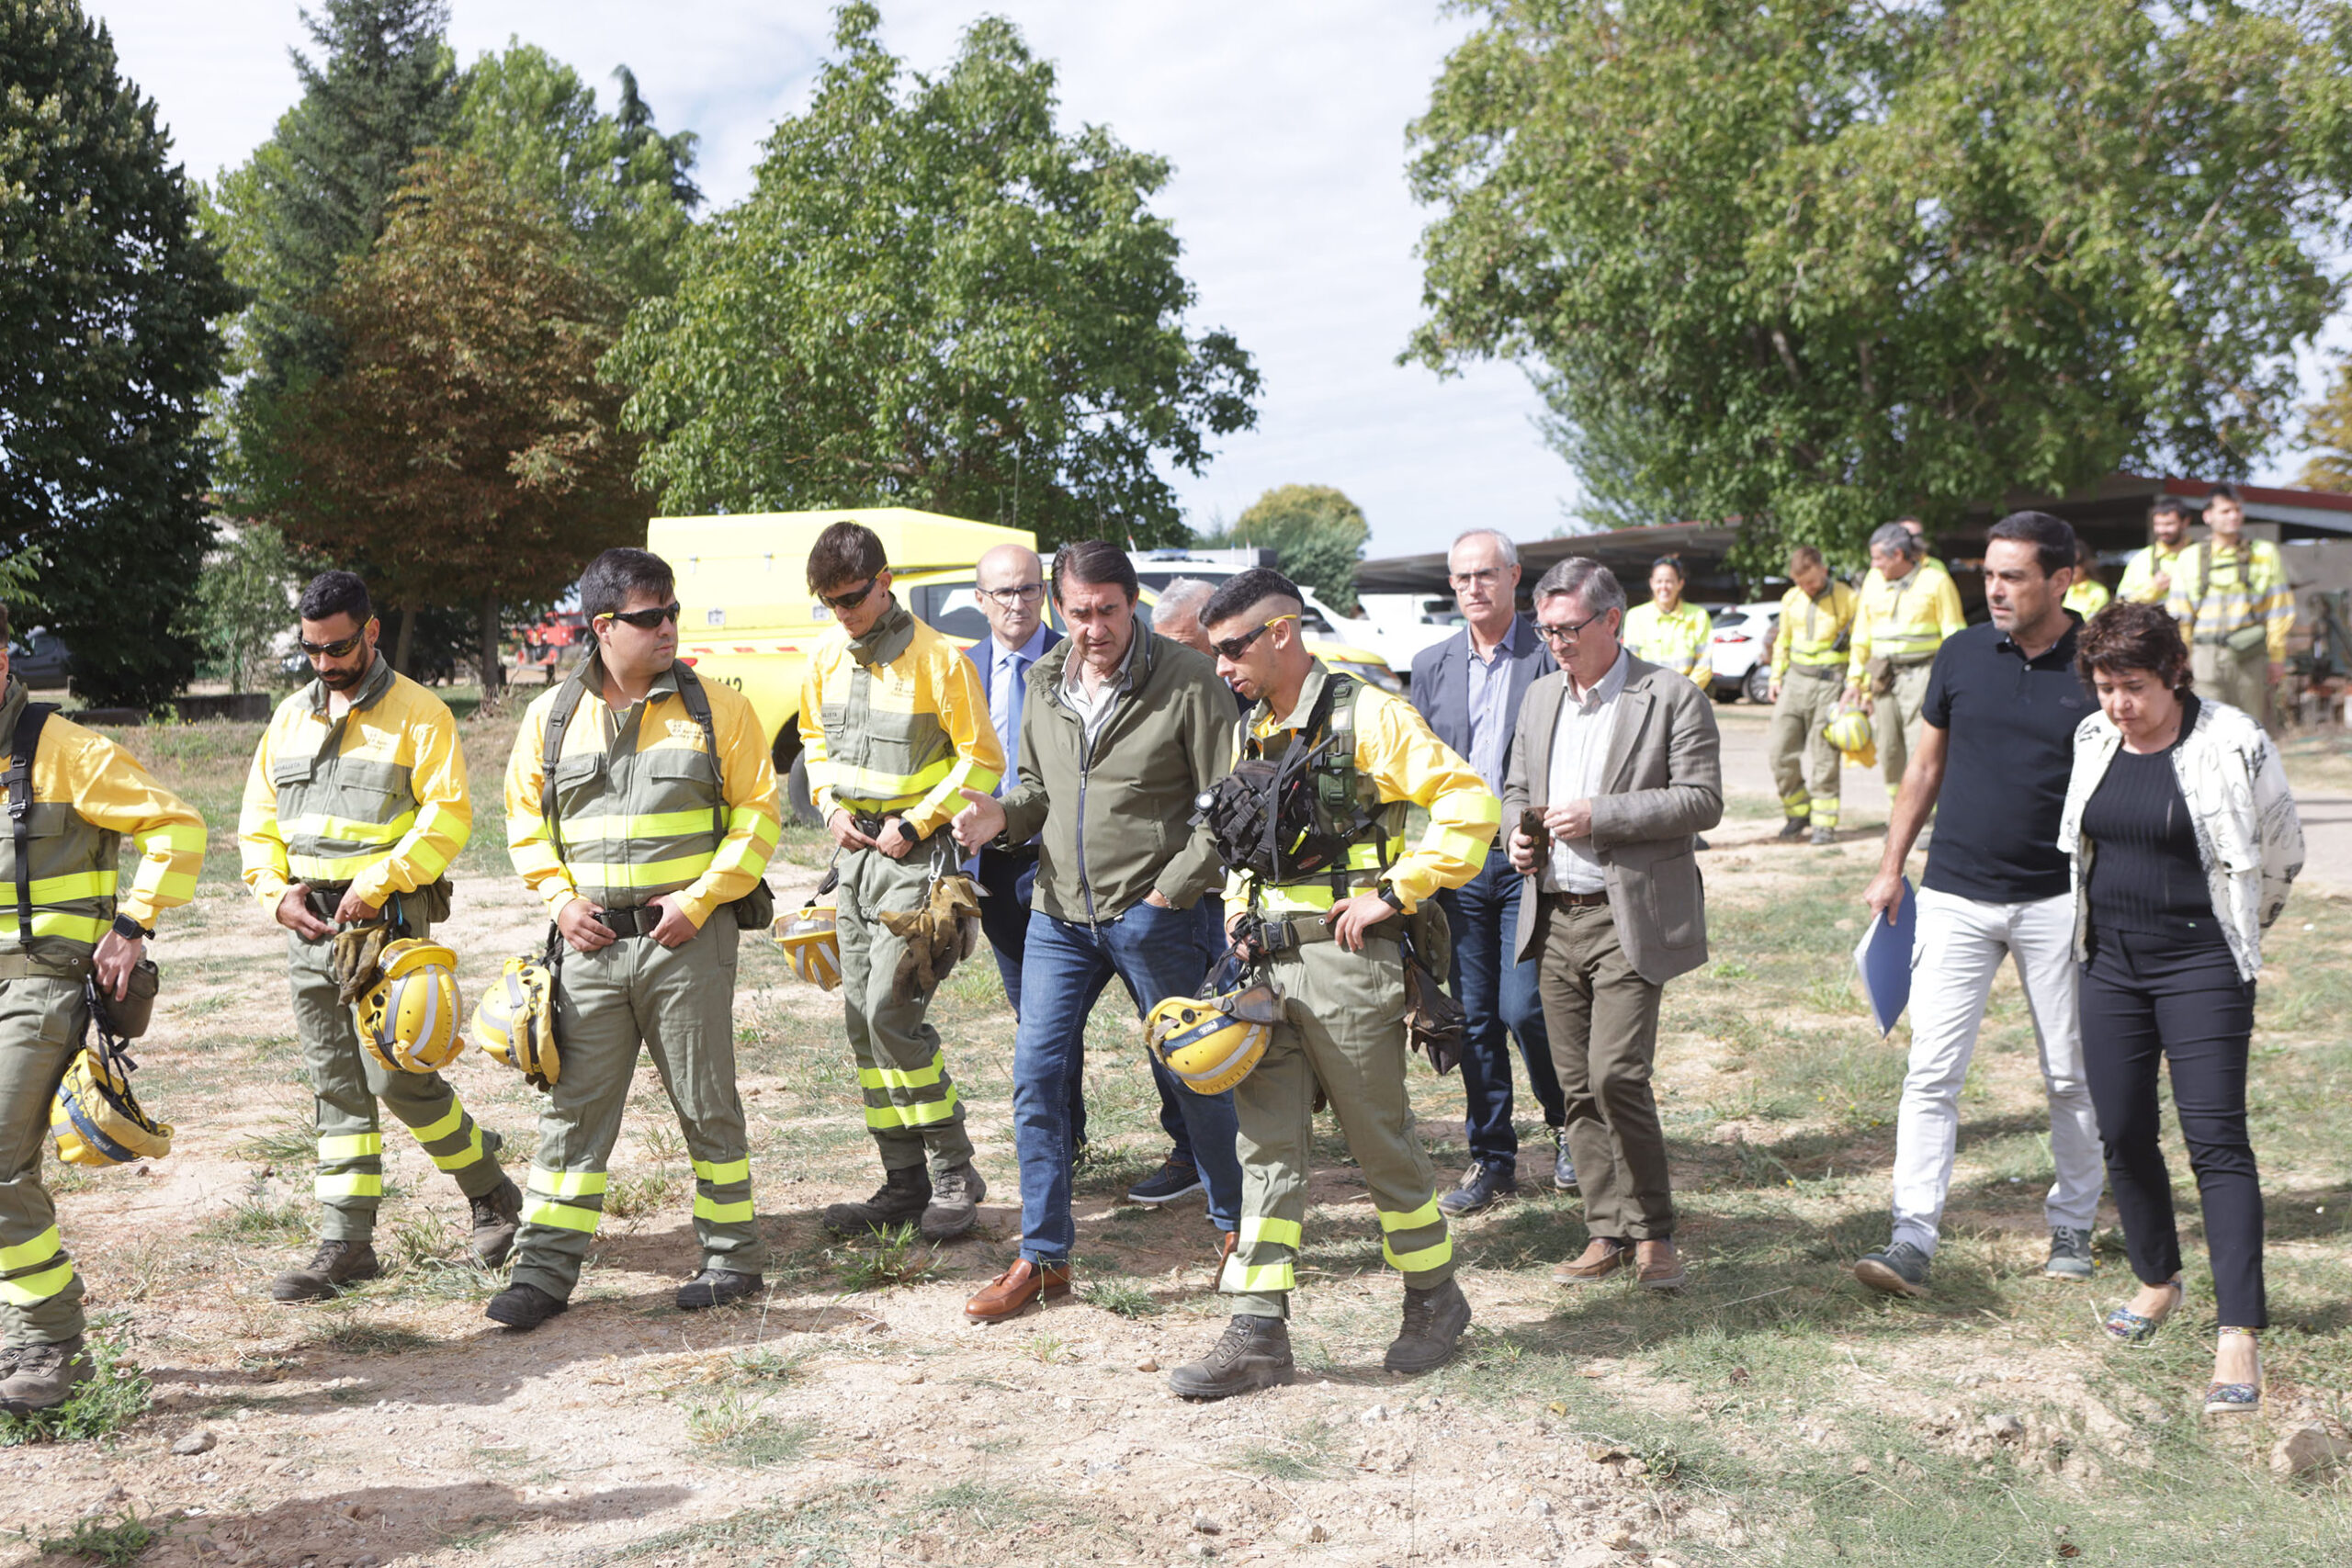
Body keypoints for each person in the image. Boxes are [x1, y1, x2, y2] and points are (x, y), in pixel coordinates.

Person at [1168, 569, 1496, 1399]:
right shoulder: (1254, 729)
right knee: (1264, 1148)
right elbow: (1251, 847)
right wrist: (1240, 919)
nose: (1224, 667)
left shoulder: (1370, 715)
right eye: (1215, 653)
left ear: (1282, 633)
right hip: (1265, 969)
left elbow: (1468, 802)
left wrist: (1397, 890)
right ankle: (1256, 1331)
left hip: (1348, 966)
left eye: (1235, 647)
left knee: (1379, 1138)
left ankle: (1436, 1297)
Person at [490, 548, 783, 1330]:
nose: (668, 627)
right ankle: (544, 1271)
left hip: (688, 941)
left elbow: (759, 815)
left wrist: (699, 899)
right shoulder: (549, 716)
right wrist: (558, 901)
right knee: (572, 1113)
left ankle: (731, 1257)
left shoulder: (720, 708)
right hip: (587, 948)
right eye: (650, 617)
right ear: (603, 627)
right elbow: (524, 821)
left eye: (673, 612)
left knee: (706, 1100)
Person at [950, 542, 1244, 1321]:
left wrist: (1166, 894)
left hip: (1156, 916)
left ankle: (1236, 1231)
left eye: (1107, 610)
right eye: (1076, 613)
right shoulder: (1046, 683)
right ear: (1058, 608)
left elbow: (1227, 811)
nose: (1092, 628)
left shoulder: (1188, 681)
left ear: (1133, 602)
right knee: (1036, 1078)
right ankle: (1044, 1258)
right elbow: (1039, 792)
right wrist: (998, 816)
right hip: (1058, 916)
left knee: (1197, 1071)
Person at [239, 571, 519, 1303]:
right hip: (308, 926)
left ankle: (490, 1193)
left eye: (336, 647)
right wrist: (276, 895)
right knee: (336, 1089)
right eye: (311, 650)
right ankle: (347, 1241)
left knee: (397, 1076)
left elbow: (448, 817)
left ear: (369, 631)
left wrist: (382, 880)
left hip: (386, 925)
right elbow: (257, 823)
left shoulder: (420, 713)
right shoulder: (288, 719)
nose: (324, 664)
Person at [2058, 602, 2302, 1416]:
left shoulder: (2234, 740)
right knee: (2122, 1127)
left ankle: (2239, 1325)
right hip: (2110, 961)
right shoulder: (2093, 739)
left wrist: (2235, 934)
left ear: (2173, 673)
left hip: (2201, 963)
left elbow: (2281, 851)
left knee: (2215, 1140)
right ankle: (2157, 1277)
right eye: (2104, 687)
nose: (2119, 704)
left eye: (2133, 686)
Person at [1852, 512, 2104, 1298]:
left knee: (2069, 1075)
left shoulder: (2100, 659)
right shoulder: (1961, 653)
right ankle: (1911, 1237)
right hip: (1956, 893)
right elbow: (1924, 769)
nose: (1994, 589)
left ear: (2061, 579)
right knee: (1932, 1072)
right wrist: (1893, 867)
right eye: (1988, 574)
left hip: (2059, 899)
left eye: (2014, 576)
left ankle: (2073, 1223)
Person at [0, 609, 205, 1412]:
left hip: (43, 984)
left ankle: (52, 1344)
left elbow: (179, 826)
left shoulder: (66, 749)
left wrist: (131, 924)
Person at [1504, 559, 1722, 1292]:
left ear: (1612, 622)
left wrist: (1604, 814)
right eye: (1546, 629)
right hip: (1553, 916)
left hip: (1628, 915)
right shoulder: (1538, 699)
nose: (1556, 642)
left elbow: (1701, 799)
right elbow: (1515, 788)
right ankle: (1606, 1230)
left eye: (1569, 628)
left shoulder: (1669, 695)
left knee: (1616, 1073)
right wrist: (1516, 833)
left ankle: (1655, 1231)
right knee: (1574, 1085)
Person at [798, 522, 1005, 1244]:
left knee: (893, 1016)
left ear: (886, 582)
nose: (843, 614)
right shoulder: (826, 654)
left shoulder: (938, 659)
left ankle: (955, 1171)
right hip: (855, 863)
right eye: (829, 602)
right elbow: (814, 743)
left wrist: (916, 823)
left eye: (853, 598)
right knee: (862, 1024)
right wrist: (827, 806)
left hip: (916, 863)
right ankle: (904, 1180)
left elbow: (982, 762)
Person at [1409, 528, 1568, 1216]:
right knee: (1472, 1016)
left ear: (1514, 578)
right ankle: (1493, 1159)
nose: (1474, 586)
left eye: (1487, 574)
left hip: (1529, 857)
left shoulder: (1548, 654)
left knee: (1524, 1007)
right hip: (1457, 861)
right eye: (1462, 577)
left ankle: (1570, 1129)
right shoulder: (1431, 663)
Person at [962, 544, 1059, 1021]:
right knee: (1030, 1009)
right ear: (980, 599)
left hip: (1061, 860)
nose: (1016, 603)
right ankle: (1053, 1098)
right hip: (994, 866)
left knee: (1059, 1006)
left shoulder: (1078, 662)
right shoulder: (960, 670)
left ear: (1044, 594)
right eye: (1003, 592)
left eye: (1027, 589)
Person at [1845, 524, 1965, 809]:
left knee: (1920, 749)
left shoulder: (1936, 581)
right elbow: (1861, 637)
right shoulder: (1873, 582)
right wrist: (1855, 682)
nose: (1873, 565)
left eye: (1878, 558)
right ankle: (1898, 813)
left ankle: (1927, 818)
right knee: (1889, 750)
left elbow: (1954, 636)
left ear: (1898, 554)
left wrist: (1952, 683)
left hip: (1924, 676)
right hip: (1883, 678)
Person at [2167, 484, 2292, 728]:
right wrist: (2182, 658)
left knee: (2251, 727)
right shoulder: (2189, 557)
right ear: (2208, 516)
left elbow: (2279, 610)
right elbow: (2179, 615)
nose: (2233, 516)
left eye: (2237, 510)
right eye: (2225, 511)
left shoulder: (2264, 553)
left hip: (2249, 655)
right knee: (2205, 727)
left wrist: (2277, 657)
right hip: (2203, 657)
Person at [1766, 547, 1858, 845]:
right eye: (1800, 583)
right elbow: (1783, 641)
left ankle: (1823, 825)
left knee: (1824, 757)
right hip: (1794, 682)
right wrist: (1776, 676)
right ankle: (1798, 812)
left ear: (1823, 569)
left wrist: (1857, 685)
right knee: (1779, 752)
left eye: (1811, 582)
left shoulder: (1847, 598)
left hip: (1830, 685)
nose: (1806, 588)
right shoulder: (1791, 598)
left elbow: (1860, 645)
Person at [1619, 556, 1712, 686]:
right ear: (1651, 583)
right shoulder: (1635, 616)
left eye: (1669, 581)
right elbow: (1631, 663)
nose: (1664, 586)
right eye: (1659, 581)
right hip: (1647, 691)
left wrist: (1687, 691)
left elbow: (1704, 662)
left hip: (1686, 693)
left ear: (1680, 584)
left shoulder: (1699, 616)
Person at [2118, 497, 2195, 607]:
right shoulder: (2141, 559)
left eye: (2169, 524)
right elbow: (2121, 604)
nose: (2162, 530)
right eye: (2158, 524)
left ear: (2185, 522)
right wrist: (2152, 590)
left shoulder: (2201, 555)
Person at [2062, 540, 2111, 619]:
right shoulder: (2061, 590)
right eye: (2068, 563)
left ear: (2085, 564)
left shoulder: (2099, 592)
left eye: (2076, 563)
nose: (2072, 568)